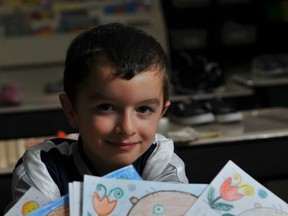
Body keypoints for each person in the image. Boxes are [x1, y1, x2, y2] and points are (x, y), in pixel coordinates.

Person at [6, 22, 188, 211]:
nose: (127, 128)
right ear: (71, 110)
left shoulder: (160, 161)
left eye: (143, 109)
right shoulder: (44, 166)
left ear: (161, 113)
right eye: (106, 107)